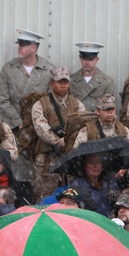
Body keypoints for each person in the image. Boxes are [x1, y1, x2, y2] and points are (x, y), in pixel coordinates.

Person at [27, 66, 88, 199]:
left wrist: (72, 143)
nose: (63, 85)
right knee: (44, 197)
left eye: (66, 82)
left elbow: (83, 126)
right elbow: (41, 128)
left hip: (70, 158)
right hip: (47, 159)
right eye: (60, 82)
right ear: (51, 83)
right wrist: (58, 141)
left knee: (71, 197)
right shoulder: (40, 104)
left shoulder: (77, 104)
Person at [0, 28, 57, 130]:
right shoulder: (8, 69)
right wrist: (18, 122)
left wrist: (39, 122)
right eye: (19, 44)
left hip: (40, 127)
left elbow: (52, 101)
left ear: (33, 48)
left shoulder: (49, 70)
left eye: (23, 44)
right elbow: (2, 100)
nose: (19, 47)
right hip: (14, 127)